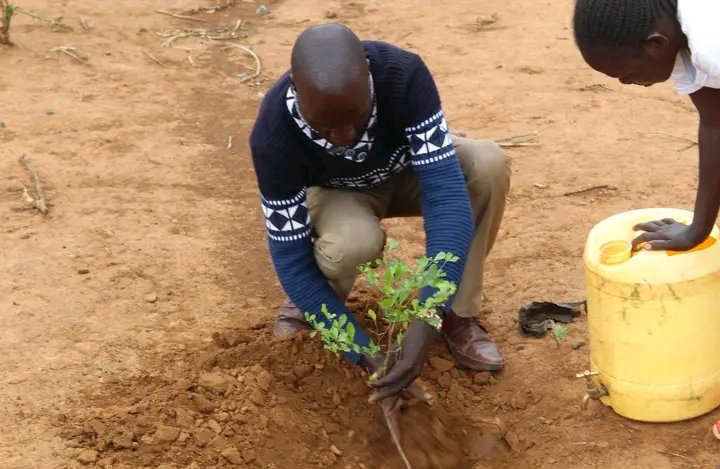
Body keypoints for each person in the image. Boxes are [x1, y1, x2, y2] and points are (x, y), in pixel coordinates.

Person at [249, 23, 510, 404]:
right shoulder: (274, 135)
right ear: (297, 94)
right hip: (339, 193)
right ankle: (318, 304)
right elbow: (288, 257)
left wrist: (428, 315)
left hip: (407, 171)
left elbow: (445, 198)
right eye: (325, 125)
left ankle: (457, 314)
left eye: (356, 117)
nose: (343, 135)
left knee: (487, 163)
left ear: (369, 80)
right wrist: (365, 354)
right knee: (351, 245)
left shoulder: (403, 75)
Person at [573, 0, 720, 252]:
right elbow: (714, 121)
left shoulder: (711, 44)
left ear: (655, 44)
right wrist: (696, 229)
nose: (625, 82)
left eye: (626, 73)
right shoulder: (672, 35)